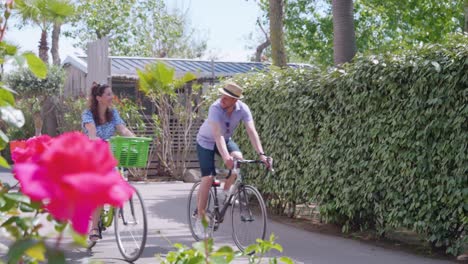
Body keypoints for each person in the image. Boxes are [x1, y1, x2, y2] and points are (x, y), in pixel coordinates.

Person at [195, 81, 270, 234]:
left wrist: (261, 154)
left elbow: (251, 131)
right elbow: (217, 135)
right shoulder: (215, 108)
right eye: (222, 95)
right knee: (208, 177)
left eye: (227, 97)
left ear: (235, 100)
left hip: (225, 140)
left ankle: (225, 191)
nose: (222, 98)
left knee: (238, 159)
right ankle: (200, 218)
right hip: (206, 141)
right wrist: (225, 157)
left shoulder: (243, 109)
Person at [82, 82, 134, 241]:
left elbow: (122, 129)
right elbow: (91, 131)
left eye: (112, 94)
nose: (112, 97)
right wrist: (94, 139)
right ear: (99, 98)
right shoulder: (88, 114)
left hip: (109, 153)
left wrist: (135, 138)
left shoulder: (113, 113)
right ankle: (94, 228)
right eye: (108, 94)